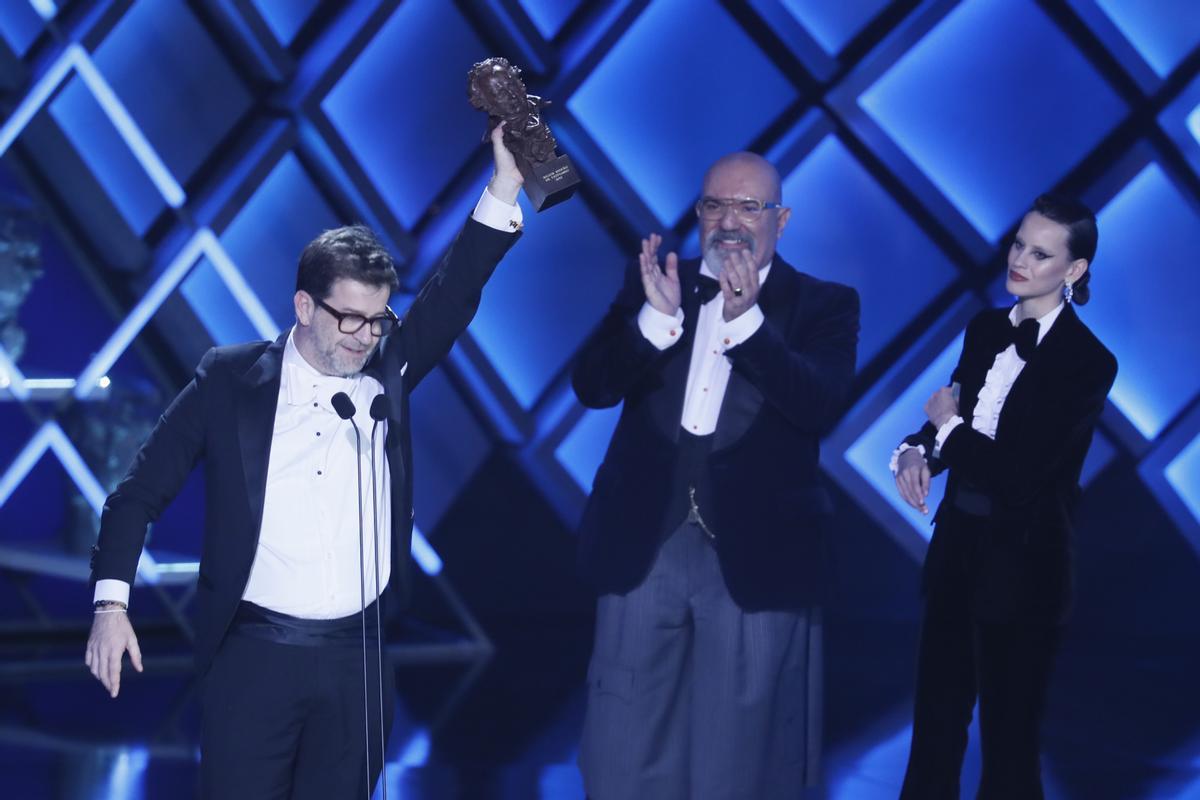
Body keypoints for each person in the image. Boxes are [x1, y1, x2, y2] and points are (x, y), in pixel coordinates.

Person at [84, 126, 524, 799]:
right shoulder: (229, 380)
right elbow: (137, 494)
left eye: (376, 320)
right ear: (302, 307)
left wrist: (505, 187)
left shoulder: (389, 370)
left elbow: (456, 289)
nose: (364, 337)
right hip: (255, 657)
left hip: (359, 660)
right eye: (348, 318)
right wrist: (111, 605)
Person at [572, 151, 860, 799]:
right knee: (622, 742)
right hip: (646, 537)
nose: (729, 220)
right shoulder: (656, 281)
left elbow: (819, 406)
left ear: (780, 220)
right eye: (714, 205)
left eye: (748, 206)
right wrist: (654, 321)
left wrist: (748, 324)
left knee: (739, 757)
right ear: (699, 213)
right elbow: (590, 385)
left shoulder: (824, 304)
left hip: (755, 550)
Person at [891, 194, 1117, 798]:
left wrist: (946, 430)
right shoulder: (986, 327)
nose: (1019, 259)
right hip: (955, 555)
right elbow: (958, 418)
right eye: (1019, 243)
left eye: (1040, 253)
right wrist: (916, 451)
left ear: (1073, 271)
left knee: (1010, 745)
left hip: (1024, 571)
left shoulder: (1089, 362)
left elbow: (1018, 475)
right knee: (934, 731)